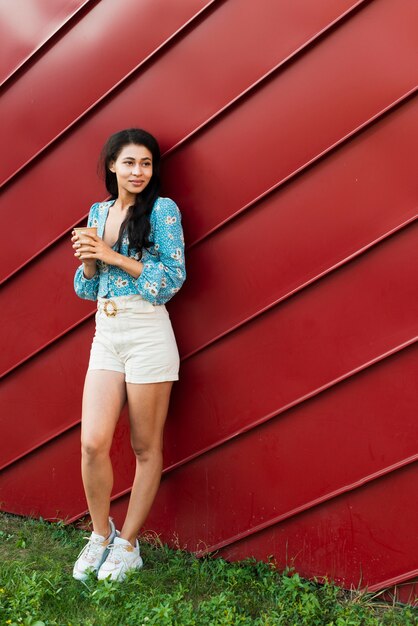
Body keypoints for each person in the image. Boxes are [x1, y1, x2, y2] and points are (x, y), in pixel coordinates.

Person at [71, 128, 185, 582]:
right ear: (112, 166)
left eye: (146, 164)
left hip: (147, 330)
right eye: (129, 163)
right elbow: (87, 288)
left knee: (144, 446)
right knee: (92, 442)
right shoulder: (98, 212)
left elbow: (170, 280)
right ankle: (100, 534)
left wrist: (111, 255)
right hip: (106, 329)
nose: (138, 172)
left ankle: (128, 545)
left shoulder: (163, 211)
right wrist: (88, 258)